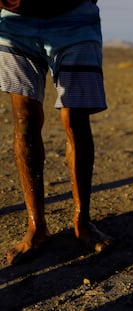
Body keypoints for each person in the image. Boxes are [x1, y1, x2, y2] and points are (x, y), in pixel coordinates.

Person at [0, 0, 112, 264]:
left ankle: (82, 221)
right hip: (14, 21)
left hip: (76, 18)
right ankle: (36, 226)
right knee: (24, 119)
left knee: (75, 119)